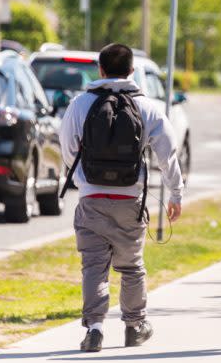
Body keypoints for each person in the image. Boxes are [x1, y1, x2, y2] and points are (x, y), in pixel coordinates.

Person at [60, 43, 184, 353]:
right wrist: (176, 193)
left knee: (93, 267)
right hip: (131, 200)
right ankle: (134, 326)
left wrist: (84, 181)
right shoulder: (147, 106)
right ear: (132, 71)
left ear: (99, 70)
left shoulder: (81, 104)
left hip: (91, 199)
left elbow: (67, 148)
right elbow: (167, 153)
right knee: (131, 267)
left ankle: (95, 328)